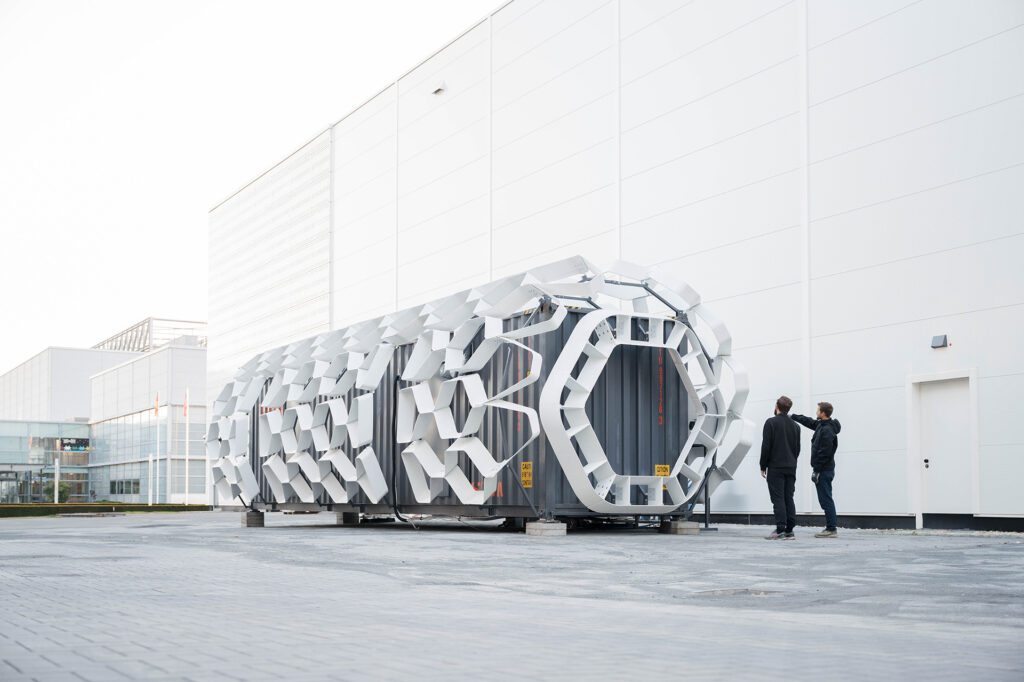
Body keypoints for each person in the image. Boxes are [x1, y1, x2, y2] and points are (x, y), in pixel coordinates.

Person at [792, 402, 841, 538]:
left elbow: (825, 453)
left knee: (826, 499)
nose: (816, 412)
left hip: (824, 470)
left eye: (818, 410)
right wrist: (793, 416)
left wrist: (817, 471)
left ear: (823, 413)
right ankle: (831, 527)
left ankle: (831, 529)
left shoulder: (827, 430)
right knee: (825, 498)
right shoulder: (822, 425)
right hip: (824, 469)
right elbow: (809, 421)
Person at [760, 395, 801, 540]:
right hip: (791, 466)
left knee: (778, 498)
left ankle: (780, 529)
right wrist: (792, 461)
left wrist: (763, 465)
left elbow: (766, 446)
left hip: (776, 466)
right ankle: (789, 530)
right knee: (788, 497)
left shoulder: (770, 422)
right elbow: (797, 449)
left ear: (777, 406)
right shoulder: (796, 426)